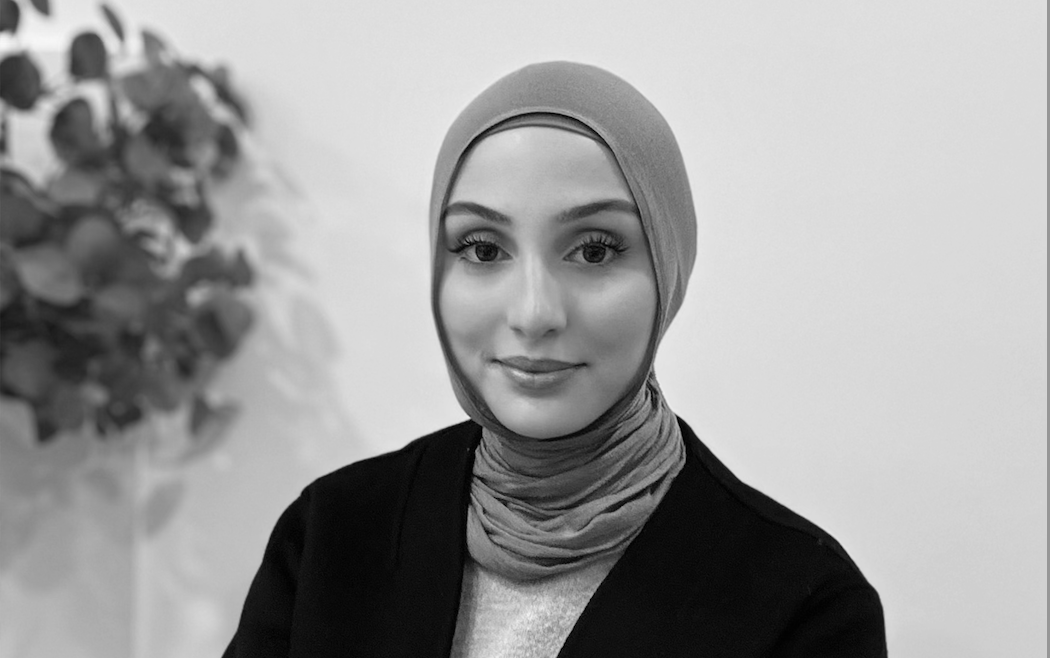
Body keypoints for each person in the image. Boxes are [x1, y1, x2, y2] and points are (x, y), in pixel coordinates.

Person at [223, 62, 886, 657]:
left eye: (595, 249)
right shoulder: (334, 536)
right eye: (482, 249)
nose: (535, 312)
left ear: (669, 268)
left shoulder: (801, 604)